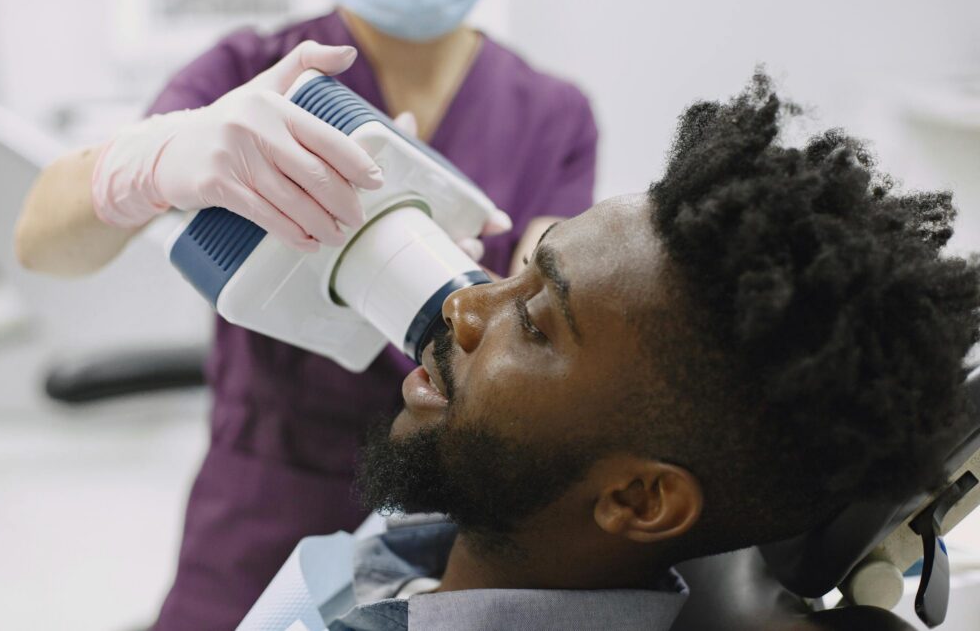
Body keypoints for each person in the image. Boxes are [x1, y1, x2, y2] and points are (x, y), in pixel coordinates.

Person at [260, 74, 980, 630]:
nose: (464, 304)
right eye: (523, 270)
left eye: (537, 322)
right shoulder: (474, 511)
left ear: (639, 498)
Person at [13, 0, 597, 627]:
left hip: (447, 509)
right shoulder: (255, 72)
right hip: (261, 501)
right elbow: (40, 240)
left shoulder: (554, 115)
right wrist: (153, 162)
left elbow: (544, 318)